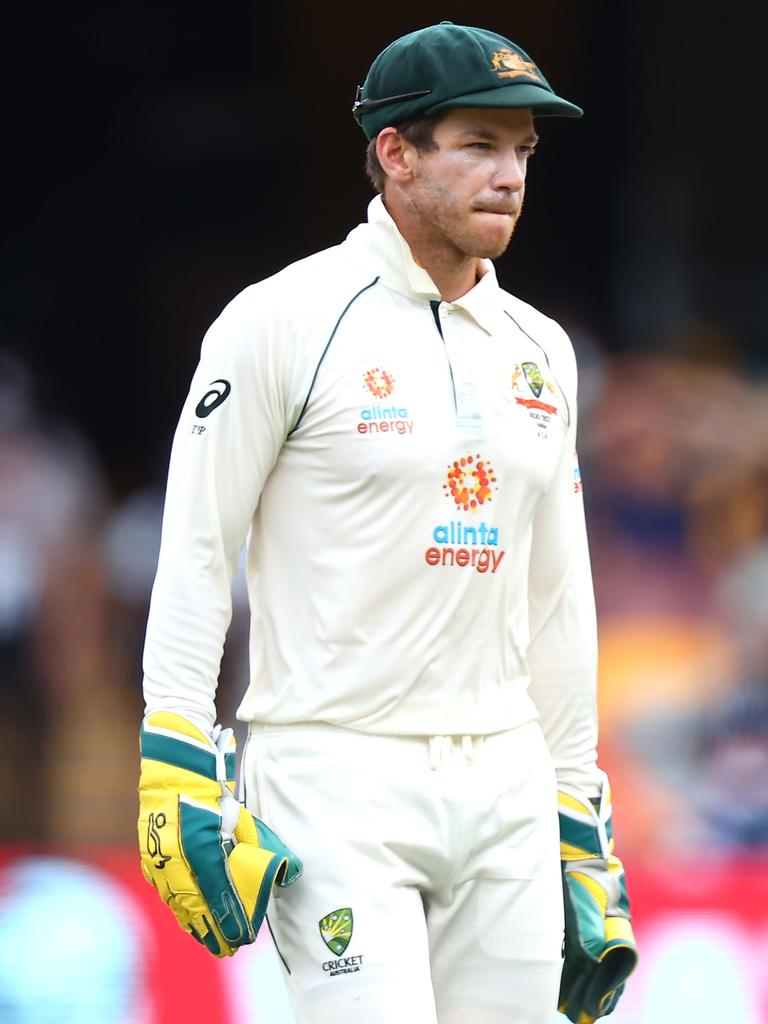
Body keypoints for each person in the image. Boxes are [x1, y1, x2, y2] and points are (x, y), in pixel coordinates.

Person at [138, 21, 637, 1024]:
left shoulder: (544, 349)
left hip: (502, 777)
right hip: (333, 768)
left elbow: (557, 597)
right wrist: (178, 756)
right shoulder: (282, 320)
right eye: (481, 146)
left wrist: (578, 811)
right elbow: (196, 549)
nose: (510, 176)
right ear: (395, 153)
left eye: (523, 153)